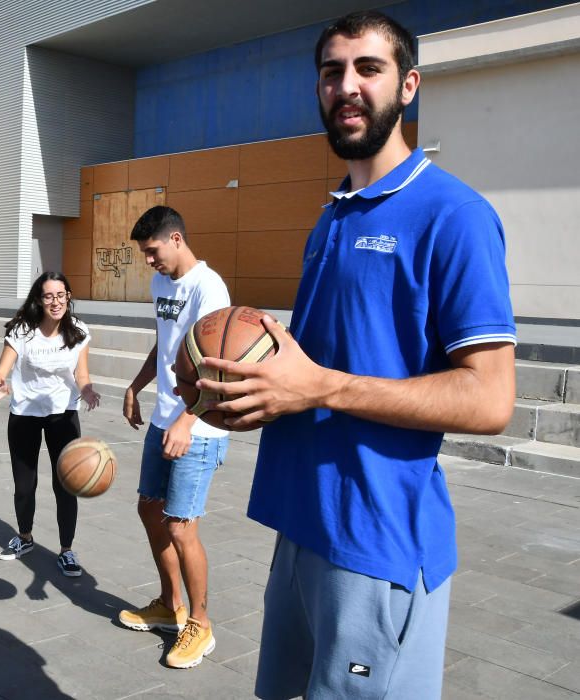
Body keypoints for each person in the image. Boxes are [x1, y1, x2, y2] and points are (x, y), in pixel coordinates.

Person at [197, 12, 516, 699]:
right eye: (330, 71)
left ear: (407, 87)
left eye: (367, 69)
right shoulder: (335, 213)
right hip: (302, 524)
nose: (346, 86)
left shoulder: (451, 215)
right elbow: (307, 371)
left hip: (376, 541)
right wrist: (224, 378)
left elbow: (490, 399)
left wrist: (320, 388)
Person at [116, 206, 231, 668]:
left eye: (152, 251)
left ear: (177, 239)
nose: (148, 261)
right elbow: (166, 341)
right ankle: (170, 604)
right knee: (150, 509)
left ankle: (200, 626)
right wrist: (135, 385)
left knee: (182, 526)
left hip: (199, 424)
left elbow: (218, 364)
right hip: (166, 417)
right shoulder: (161, 283)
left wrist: (187, 419)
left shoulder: (209, 288)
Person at [0, 272, 100, 577]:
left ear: (68, 296)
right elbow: (1, 371)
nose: (56, 302)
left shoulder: (77, 330)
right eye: (49, 296)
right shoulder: (22, 331)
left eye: (61, 295)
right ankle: (24, 537)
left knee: (66, 484)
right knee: (25, 485)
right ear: (39, 299)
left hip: (63, 415)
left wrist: (87, 388)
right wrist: (1, 384)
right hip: (24, 414)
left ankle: (67, 550)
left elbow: (81, 374)